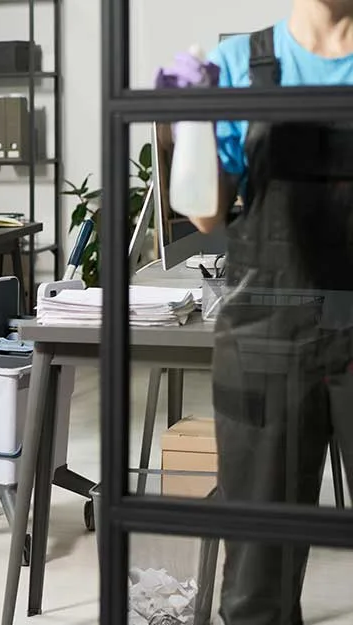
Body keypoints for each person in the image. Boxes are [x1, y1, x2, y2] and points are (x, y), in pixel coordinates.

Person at [156, 2, 353, 622]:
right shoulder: (240, 63)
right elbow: (205, 213)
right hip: (269, 336)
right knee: (257, 577)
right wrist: (189, 123)